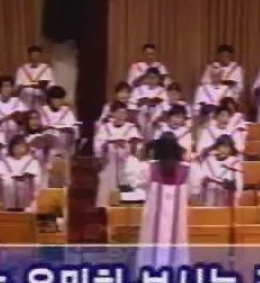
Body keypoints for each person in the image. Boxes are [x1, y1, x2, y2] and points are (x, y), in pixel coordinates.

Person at [136, 134, 191, 264]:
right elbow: (194, 190)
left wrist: (142, 155)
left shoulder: (148, 168)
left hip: (156, 222)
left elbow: (136, 182)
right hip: (174, 221)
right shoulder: (188, 169)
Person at [94, 102, 143, 207]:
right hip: (109, 163)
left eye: (124, 113)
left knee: (125, 189)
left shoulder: (131, 128)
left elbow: (137, 148)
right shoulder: (105, 127)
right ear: (112, 113)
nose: (121, 116)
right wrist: (107, 145)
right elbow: (98, 145)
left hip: (125, 164)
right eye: (118, 113)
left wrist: (130, 145)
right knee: (107, 189)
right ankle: (106, 209)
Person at [0, 135, 42, 212]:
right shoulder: (4, 161)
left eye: (21, 145)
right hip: (7, 196)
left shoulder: (32, 161)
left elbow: (37, 178)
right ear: (11, 147)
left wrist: (27, 177)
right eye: (16, 145)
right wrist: (3, 178)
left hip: (26, 197)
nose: (19, 148)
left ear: (26, 147)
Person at [191, 135, 243, 207]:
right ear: (216, 147)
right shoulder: (208, 160)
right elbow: (200, 179)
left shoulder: (234, 163)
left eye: (227, 147)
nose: (224, 150)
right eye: (221, 146)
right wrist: (204, 181)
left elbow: (238, 186)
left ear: (231, 150)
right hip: (208, 199)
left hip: (226, 202)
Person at [40, 85, 79, 157]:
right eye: (55, 99)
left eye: (60, 99)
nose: (57, 101)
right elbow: (39, 128)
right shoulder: (43, 111)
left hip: (63, 144)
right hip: (46, 145)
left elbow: (74, 129)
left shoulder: (67, 111)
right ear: (49, 99)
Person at [130, 67, 167, 138]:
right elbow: (132, 106)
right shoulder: (138, 90)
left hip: (156, 120)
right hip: (140, 119)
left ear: (158, 79)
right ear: (146, 78)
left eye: (154, 78)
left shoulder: (163, 91)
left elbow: (164, 109)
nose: (151, 80)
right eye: (149, 77)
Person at [15, 45, 54, 110]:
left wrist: (44, 87)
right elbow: (17, 86)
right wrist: (28, 86)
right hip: (25, 102)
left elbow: (52, 86)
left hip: (41, 102)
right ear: (29, 56)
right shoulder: (22, 69)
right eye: (33, 55)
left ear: (40, 56)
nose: (35, 58)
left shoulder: (47, 69)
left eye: (37, 55)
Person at [0, 76, 25, 141]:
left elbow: (23, 122)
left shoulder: (18, 102)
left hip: (15, 137)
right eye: (4, 86)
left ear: (12, 88)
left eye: (9, 86)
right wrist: (6, 118)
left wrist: (18, 120)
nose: (7, 89)